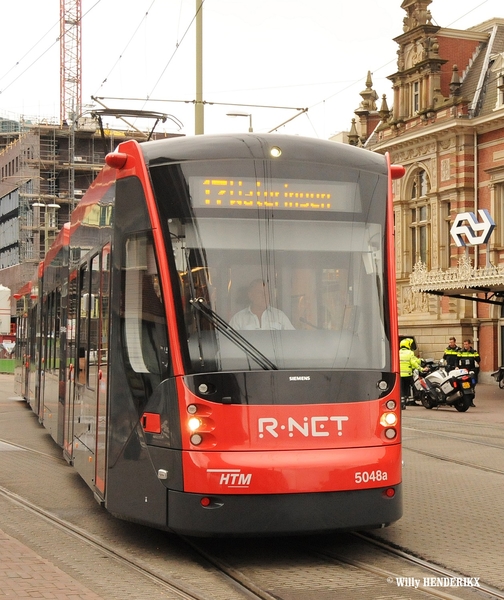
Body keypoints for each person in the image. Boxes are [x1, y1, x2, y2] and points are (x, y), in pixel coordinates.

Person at [229, 279, 295, 330]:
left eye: (267, 292)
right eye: (260, 292)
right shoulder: (238, 319)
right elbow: (229, 343)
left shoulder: (280, 316)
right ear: (251, 295)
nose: (265, 295)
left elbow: (292, 339)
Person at [399, 337, 423, 409]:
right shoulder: (410, 353)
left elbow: (414, 360)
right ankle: (410, 400)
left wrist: (420, 360)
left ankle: (402, 403)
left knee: (401, 389)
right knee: (411, 387)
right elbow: (414, 362)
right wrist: (421, 368)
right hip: (408, 374)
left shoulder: (398, 352)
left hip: (399, 375)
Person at [457, 339, 481, 406]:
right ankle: (463, 400)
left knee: (472, 386)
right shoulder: (460, 352)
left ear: (470, 344)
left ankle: (471, 401)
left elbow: (479, 360)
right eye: (464, 344)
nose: (465, 346)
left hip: (471, 371)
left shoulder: (473, 352)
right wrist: (456, 366)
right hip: (463, 371)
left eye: (466, 344)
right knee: (463, 386)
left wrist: (476, 356)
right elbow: (457, 360)